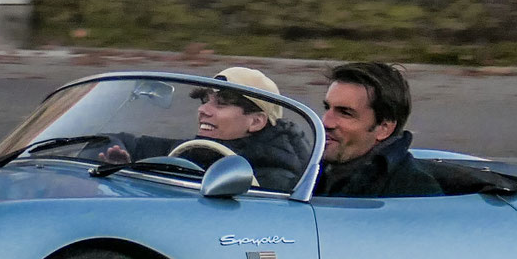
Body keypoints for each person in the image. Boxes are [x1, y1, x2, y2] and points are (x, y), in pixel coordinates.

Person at [314, 62, 442, 198]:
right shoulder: (319, 168)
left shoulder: (414, 191)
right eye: (327, 108)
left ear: (384, 128)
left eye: (345, 113)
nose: (325, 122)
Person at [185, 66, 308, 191]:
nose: (203, 110)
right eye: (205, 100)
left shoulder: (271, 180)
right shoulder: (200, 152)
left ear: (256, 122)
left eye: (221, 103)